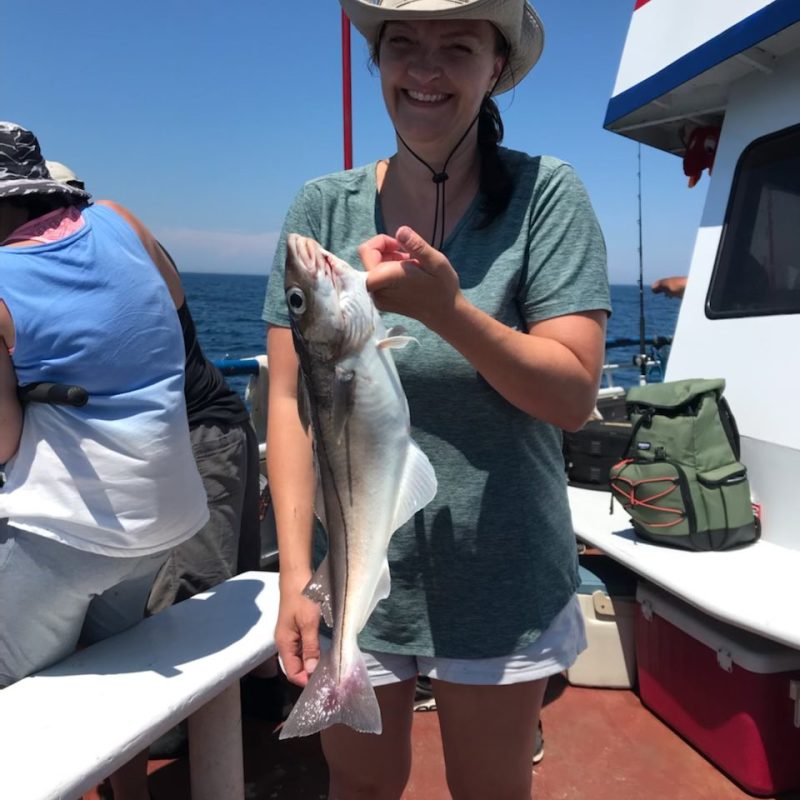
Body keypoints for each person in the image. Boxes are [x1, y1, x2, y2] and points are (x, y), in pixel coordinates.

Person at [263, 1, 610, 797]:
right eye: (404, 45)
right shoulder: (321, 208)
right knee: (358, 786)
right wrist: (294, 577)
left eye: (457, 46)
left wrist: (445, 310)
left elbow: (572, 396)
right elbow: (287, 401)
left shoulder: (545, 195)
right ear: (377, 62)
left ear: (497, 68)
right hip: (355, 572)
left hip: (504, 576)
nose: (424, 69)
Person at [0, 121, 209, 800]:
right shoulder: (118, 218)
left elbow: (3, 443)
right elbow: (173, 303)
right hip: (160, 525)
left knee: (15, 701)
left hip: (65, 539)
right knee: (111, 677)